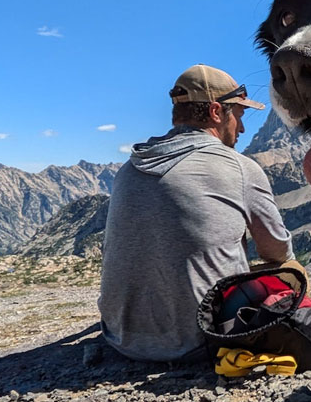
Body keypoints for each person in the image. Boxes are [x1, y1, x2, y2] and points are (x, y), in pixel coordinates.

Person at [98, 64, 297, 362]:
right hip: (201, 340)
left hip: (121, 338)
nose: (242, 129)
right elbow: (277, 250)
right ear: (217, 112)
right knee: (291, 273)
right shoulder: (239, 167)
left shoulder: (129, 168)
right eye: (239, 116)